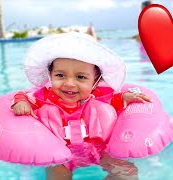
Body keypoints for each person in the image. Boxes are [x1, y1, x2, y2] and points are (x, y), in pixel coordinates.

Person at [11, 32, 152, 180]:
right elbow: (24, 96)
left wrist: (125, 96)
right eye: (60, 75)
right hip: (60, 156)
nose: (69, 83)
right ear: (50, 75)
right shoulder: (44, 97)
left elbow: (114, 99)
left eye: (80, 77)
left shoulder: (99, 95)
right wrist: (21, 102)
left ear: (95, 81)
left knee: (127, 173)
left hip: (99, 151)